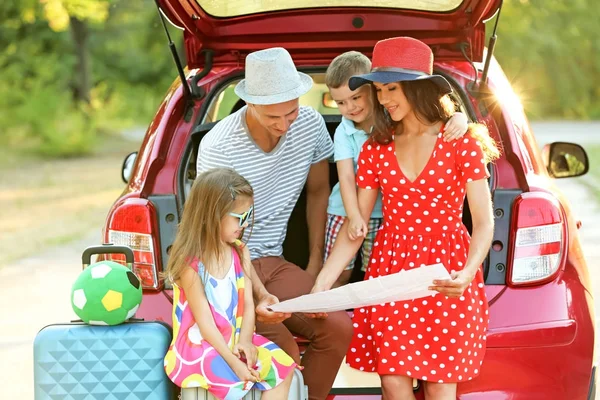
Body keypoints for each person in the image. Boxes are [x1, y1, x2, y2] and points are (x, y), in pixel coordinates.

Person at [312, 37, 499, 400]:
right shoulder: (375, 149)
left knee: (440, 385)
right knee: (393, 382)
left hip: (446, 272)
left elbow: (484, 221)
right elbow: (356, 230)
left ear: (418, 86)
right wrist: (323, 283)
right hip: (390, 271)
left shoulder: (460, 143)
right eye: (379, 90)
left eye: (391, 88)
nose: (383, 99)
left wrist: (467, 272)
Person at [196, 47, 353, 400]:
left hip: (275, 262)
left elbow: (318, 194)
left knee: (338, 327)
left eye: (291, 111)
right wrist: (251, 293)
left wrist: (315, 269)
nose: (284, 125)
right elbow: (212, 233)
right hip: (232, 267)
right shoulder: (219, 146)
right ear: (250, 104)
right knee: (284, 356)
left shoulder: (310, 125)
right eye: (273, 117)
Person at [324, 51, 470, 287]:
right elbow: (346, 178)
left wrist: (461, 118)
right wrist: (354, 216)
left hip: (384, 215)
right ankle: (334, 313)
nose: (349, 107)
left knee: (373, 272)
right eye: (340, 103)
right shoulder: (346, 131)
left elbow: (431, 120)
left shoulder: (394, 117)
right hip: (346, 209)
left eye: (356, 98)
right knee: (341, 271)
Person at [163, 168, 297, 400]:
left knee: (283, 367)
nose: (244, 225)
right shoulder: (190, 261)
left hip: (234, 337)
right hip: (202, 344)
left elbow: (246, 303)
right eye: (239, 217)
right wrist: (235, 362)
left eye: (248, 216)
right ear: (212, 215)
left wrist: (246, 340)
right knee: (229, 377)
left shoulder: (239, 251)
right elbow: (204, 323)